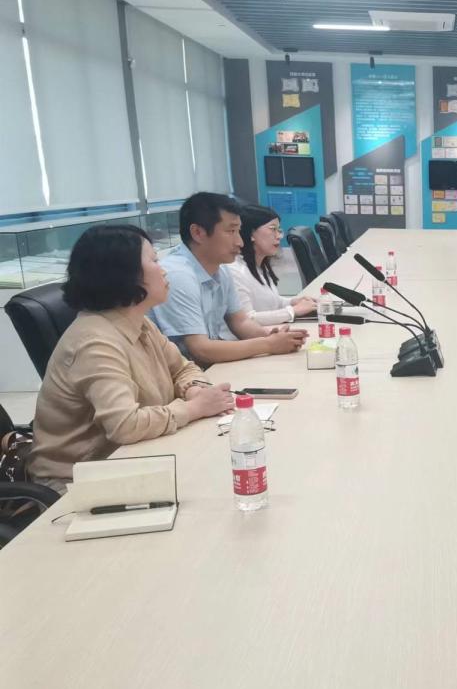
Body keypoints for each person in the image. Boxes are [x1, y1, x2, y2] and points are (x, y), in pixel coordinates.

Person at [28, 226, 236, 491]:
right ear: (125, 275)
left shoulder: (138, 322)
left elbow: (183, 368)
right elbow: (124, 425)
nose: (163, 270)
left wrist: (194, 389)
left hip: (135, 460)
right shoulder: (95, 342)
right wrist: (194, 408)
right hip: (79, 484)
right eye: (154, 261)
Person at [150, 192, 306, 366]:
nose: (240, 242)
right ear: (198, 233)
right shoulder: (178, 275)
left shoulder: (221, 268)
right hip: (183, 375)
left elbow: (240, 322)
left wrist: (273, 337)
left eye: (238, 231)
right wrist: (268, 344)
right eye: (231, 231)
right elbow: (200, 349)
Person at [226, 204, 317, 327]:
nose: (279, 236)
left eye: (279, 230)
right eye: (272, 229)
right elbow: (247, 319)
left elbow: (271, 302)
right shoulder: (235, 271)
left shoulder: (260, 265)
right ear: (251, 233)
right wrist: (293, 311)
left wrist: (293, 302)